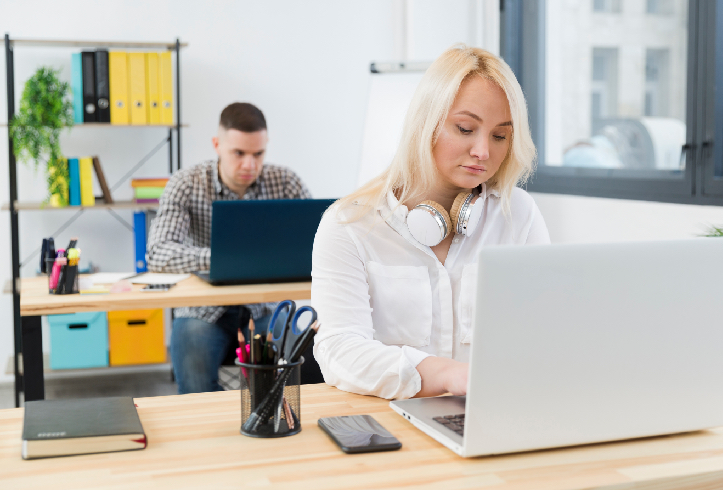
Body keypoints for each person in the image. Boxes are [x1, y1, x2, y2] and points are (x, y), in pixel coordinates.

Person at [311, 45, 550, 400]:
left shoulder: (518, 214)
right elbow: (340, 350)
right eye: (465, 129)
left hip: (492, 412)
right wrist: (447, 375)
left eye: (500, 136)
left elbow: (545, 332)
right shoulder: (349, 224)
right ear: (426, 123)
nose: (483, 151)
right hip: (388, 420)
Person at [147, 102, 311, 394]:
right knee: (195, 384)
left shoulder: (286, 182)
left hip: (267, 306)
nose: (249, 165)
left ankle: (274, 416)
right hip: (203, 309)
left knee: (302, 370)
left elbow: (317, 244)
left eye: (258, 154)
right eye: (239, 153)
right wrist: (225, 259)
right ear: (217, 145)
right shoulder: (187, 183)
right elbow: (158, 253)